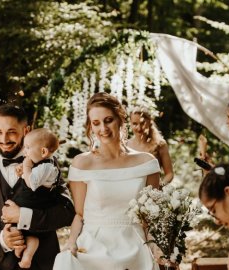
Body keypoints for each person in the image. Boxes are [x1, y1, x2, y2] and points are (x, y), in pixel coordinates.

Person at [53, 92, 160, 270]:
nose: (103, 128)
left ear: (120, 119)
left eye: (108, 120)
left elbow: (151, 219)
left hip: (135, 246)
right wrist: (71, 242)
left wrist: (158, 248)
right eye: (96, 123)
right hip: (93, 248)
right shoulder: (82, 164)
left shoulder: (147, 163)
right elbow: (79, 215)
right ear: (90, 127)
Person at [0, 104, 75, 270]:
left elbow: (67, 213)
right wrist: (1, 239)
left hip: (41, 263)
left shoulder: (48, 165)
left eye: (11, 132)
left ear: (26, 130)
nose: (3, 139)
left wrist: (25, 216)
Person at [12, 128, 62, 268]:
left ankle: (25, 253)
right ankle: (26, 254)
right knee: (26, 235)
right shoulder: (40, 164)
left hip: (33, 206)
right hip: (28, 205)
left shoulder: (48, 167)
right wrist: (22, 171)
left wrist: (27, 167)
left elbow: (32, 184)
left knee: (15, 227)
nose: (24, 152)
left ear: (44, 152)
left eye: (28, 148)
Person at [128, 108, 174, 185]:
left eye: (142, 123)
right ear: (130, 124)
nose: (139, 128)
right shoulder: (126, 145)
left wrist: (159, 187)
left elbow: (169, 173)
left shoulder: (160, 144)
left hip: (150, 193)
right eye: (135, 124)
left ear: (149, 121)